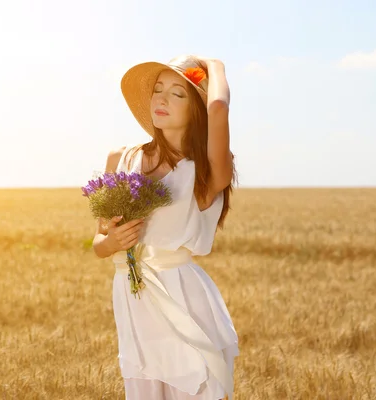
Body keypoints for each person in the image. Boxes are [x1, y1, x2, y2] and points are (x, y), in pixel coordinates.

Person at [92, 55, 239, 400]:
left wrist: (214, 66)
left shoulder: (205, 171)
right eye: (158, 90)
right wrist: (112, 241)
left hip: (182, 297)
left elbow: (218, 107)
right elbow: (98, 244)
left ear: (196, 110)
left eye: (178, 93)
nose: (161, 99)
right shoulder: (121, 158)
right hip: (133, 300)